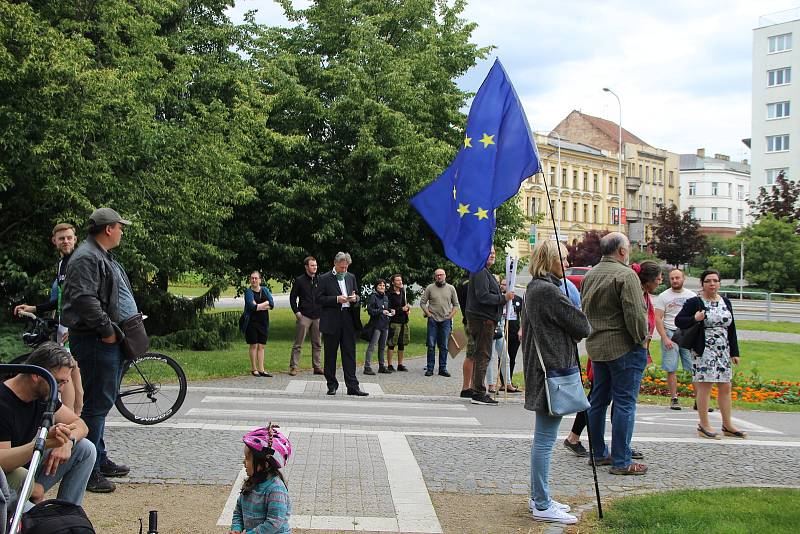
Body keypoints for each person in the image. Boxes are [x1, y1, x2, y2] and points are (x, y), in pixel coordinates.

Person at [61, 207, 135, 492]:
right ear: (108, 229)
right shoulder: (87, 256)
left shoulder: (96, 254)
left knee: (101, 403)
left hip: (99, 338)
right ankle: (88, 469)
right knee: (95, 405)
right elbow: (84, 299)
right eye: (120, 227)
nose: (121, 231)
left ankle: (99, 458)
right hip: (94, 340)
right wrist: (107, 331)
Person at [522, 240, 591, 525]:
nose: (566, 262)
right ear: (547, 259)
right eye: (561, 258)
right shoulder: (547, 291)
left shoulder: (536, 289)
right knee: (546, 440)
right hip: (550, 371)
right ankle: (541, 502)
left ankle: (540, 496)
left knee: (545, 438)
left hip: (545, 368)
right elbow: (582, 326)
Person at [581, 232, 649, 475]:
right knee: (624, 403)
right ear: (621, 251)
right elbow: (635, 315)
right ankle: (621, 460)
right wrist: (641, 340)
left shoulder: (590, 274)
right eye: (628, 247)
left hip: (597, 346)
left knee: (597, 402)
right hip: (623, 347)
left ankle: (598, 453)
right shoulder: (626, 275)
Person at [0, 343, 95, 510]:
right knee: (42, 524)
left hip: (25, 473)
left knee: (85, 449)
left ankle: (68, 514)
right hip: (7, 482)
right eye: (59, 382)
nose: (61, 389)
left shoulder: (43, 394)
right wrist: (45, 444)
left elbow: (81, 425)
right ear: (36, 375)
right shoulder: (3, 402)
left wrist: (67, 442)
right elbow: (3, 462)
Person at [13, 223, 84, 416]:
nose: (66, 241)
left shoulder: (76, 261)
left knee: (66, 368)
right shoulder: (62, 264)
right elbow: (60, 299)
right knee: (73, 368)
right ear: (54, 241)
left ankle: (68, 415)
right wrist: (34, 308)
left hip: (72, 323)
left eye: (69, 237)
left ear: (75, 239)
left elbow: (82, 296)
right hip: (64, 322)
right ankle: (77, 412)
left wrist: (76, 324)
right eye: (61, 238)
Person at [675, 269, 745, 440]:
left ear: (719, 283)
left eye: (715, 280)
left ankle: (727, 424)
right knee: (706, 385)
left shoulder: (725, 302)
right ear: (702, 284)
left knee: (726, 386)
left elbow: (732, 328)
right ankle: (704, 424)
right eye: (708, 281)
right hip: (704, 348)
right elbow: (679, 320)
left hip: (723, 348)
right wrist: (695, 319)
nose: (712, 284)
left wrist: (734, 351)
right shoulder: (695, 302)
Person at [466, 246, 515, 406]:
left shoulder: (483, 271)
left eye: (494, 252)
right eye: (489, 252)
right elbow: (483, 296)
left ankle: (477, 390)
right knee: (483, 354)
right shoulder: (480, 271)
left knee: (483, 354)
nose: (493, 254)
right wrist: (503, 298)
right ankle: (479, 392)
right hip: (482, 320)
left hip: (484, 320)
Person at [318, 252, 368, 396]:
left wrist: (355, 298)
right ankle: (332, 384)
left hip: (348, 319)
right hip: (332, 319)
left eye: (346, 268)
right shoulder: (324, 278)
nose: (344, 270)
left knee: (349, 353)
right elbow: (319, 299)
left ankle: (352, 386)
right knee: (330, 354)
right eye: (342, 268)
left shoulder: (351, 277)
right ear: (335, 264)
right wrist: (336, 299)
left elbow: (358, 295)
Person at [231, 424, 292, 534]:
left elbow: (274, 523)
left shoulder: (276, 489)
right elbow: (238, 510)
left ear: (264, 463)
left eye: (248, 458)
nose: (244, 462)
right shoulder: (251, 483)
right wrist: (236, 528)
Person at [654, 268, 696, 410]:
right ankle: (674, 399)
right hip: (670, 332)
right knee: (671, 367)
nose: (675, 281)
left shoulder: (691, 296)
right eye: (672, 278)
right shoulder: (663, 296)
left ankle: (699, 400)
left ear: (683, 278)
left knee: (693, 367)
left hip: (687, 333)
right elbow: (658, 318)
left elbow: (697, 317)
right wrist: (665, 337)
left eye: (677, 278)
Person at [419, 269, 459, 377]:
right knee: (431, 345)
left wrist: (450, 316)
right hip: (433, 320)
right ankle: (430, 368)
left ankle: (442, 368)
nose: (439, 277)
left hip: (446, 320)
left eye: (441, 275)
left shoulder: (451, 288)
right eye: (437, 275)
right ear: (434, 277)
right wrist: (428, 314)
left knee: (444, 345)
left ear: (445, 276)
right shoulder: (430, 288)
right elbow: (422, 303)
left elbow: (456, 305)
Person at [288, 256, 323, 376]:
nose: (315, 267)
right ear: (306, 267)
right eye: (312, 265)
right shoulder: (300, 280)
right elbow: (292, 298)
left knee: (317, 343)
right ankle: (293, 367)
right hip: (304, 316)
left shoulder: (320, 280)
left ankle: (317, 366)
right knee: (298, 343)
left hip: (318, 316)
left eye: (316, 265)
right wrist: (297, 312)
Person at [242, 271, 275, 378]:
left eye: (256, 278)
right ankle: (254, 369)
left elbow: (272, 304)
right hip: (251, 322)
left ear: (260, 280)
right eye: (252, 278)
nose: (254, 280)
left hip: (263, 322)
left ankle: (262, 369)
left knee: (261, 346)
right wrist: (265, 304)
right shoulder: (248, 292)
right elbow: (252, 307)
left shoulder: (265, 290)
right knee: (254, 345)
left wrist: (261, 305)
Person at [487, 278, 511, 394]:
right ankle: (491, 384)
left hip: (501, 328)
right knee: (490, 357)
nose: (501, 286)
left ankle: (507, 383)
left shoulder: (507, 296)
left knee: (505, 356)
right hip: (492, 327)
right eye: (500, 284)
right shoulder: (493, 296)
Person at [364, 279, 392, 375]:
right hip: (376, 325)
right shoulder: (373, 297)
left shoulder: (386, 297)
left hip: (385, 324)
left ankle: (381, 366)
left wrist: (391, 311)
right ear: (376, 287)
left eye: (383, 285)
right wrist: (380, 311)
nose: (382, 287)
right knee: (372, 346)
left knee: (382, 347)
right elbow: (370, 310)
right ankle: (367, 367)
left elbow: (386, 309)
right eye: (380, 285)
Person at [455, 276, 475, 398]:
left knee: (475, 356)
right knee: (472, 355)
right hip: (472, 322)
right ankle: (467, 387)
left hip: (471, 321)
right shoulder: (467, 283)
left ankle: (472, 386)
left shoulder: (466, 280)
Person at [386, 274, 410, 372]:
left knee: (402, 343)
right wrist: (401, 309)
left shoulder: (403, 292)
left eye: (401, 280)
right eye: (397, 280)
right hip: (394, 321)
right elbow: (389, 308)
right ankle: (390, 365)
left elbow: (405, 304)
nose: (400, 282)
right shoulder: (389, 294)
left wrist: (407, 309)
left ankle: (400, 364)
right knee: (392, 343)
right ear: (393, 282)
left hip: (404, 320)